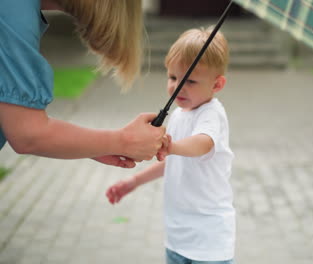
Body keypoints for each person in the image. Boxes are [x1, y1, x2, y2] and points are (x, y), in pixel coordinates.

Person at [106, 27, 235, 264]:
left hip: (209, 240)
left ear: (217, 85)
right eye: (173, 77)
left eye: (190, 81)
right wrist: (133, 181)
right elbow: (171, 161)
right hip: (178, 236)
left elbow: (202, 144)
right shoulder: (178, 115)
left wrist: (171, 146)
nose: (177, 87)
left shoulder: (212, 114)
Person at [0, 0, 166, 168]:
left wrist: (94, 146)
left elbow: (18, 119)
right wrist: (124, 141)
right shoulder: (14, 8)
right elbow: (29, 135)